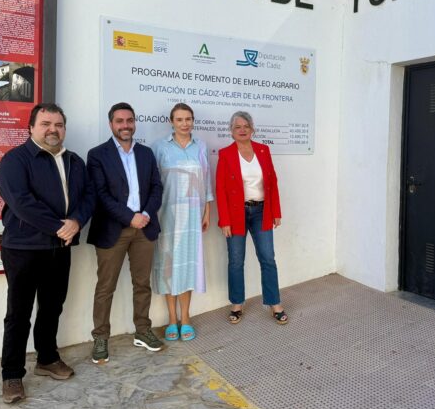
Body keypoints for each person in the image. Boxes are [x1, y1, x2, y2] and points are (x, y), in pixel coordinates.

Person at [0, 103, 94, 404]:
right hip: (23, 248)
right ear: (31, 128)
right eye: (46, 124)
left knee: (52, 307)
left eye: (59, 124)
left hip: (59, 248)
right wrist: (59, 227)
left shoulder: (74, 161)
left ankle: (47, 358)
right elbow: (21, 202)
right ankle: (12, 374)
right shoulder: (15, 160)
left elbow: (88, 197)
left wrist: (76, 221)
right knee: (19, 313)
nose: (53, 129)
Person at [87, 102, 164, 363]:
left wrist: (146, 214)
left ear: (134, 123)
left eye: (129, 120)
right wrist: (129, 217)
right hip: (113, 230)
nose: (125, 125)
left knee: (142, 284)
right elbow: (100, 194)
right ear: (111, 124)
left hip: (144, 228)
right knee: (105, 287)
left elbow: (156, 187)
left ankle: (142, 330)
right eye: (119, 121)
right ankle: (100, 337)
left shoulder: (146, 153)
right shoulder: (97, 155)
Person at [216, 111, 288, 325]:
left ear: (252, 129)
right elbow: (220, 189)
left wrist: (276, 212)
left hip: (261, 212)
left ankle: (275, 303)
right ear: (231, 131)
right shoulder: (225, 154)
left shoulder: (263, 150)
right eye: (237, 127)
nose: (242, 130)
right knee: (236, 260)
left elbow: (272, 182)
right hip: (236, 214)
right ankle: (237, 304)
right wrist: (224, 220)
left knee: (268, 258)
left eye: (246, 126)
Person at [152, 103, 213, 341]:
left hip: (193, 216)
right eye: (179, 119)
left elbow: (206, 180)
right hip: (167, 215)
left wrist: (207, 211)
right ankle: (172, 319)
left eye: (188, 119)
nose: (184, 124)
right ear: (172, 122)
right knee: (169, 265)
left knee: (188, 264)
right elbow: (153, 183)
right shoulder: (160, 147)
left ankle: (185, 318)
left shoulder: (201, 146)